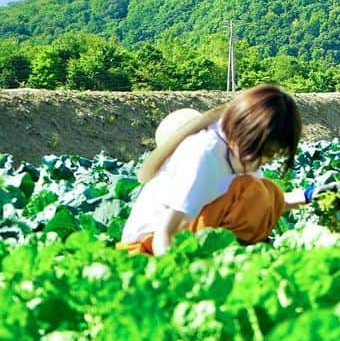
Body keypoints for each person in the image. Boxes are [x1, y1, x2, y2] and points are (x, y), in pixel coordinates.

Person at [118, 84, 324, 255]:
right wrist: (178, 281)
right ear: (247, 136)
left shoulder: (239, 151)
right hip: (146, 248)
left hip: (184, 240)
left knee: (262, 190)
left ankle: (228, 257)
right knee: (252, 190)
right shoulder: (203, 155)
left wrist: (312, 195)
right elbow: (166, 231)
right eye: (267, 153)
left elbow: (270, 203)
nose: (267, 161)